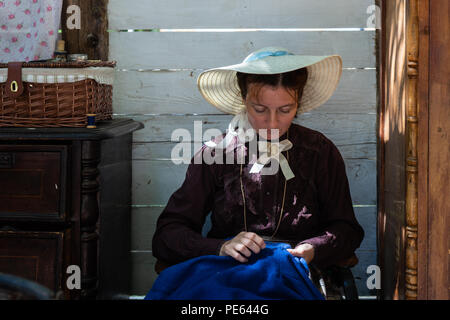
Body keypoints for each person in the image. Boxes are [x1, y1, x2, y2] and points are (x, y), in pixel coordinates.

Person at [151, 47, 364, 276]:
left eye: (285, 110)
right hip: (227, 274)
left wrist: (312, 249)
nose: (272, 122)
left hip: (295, 272)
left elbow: (347, 229)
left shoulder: (320, 152)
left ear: (298, 104)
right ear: (244, 100)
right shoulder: (215, 154)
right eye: (260, 109)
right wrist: (220, 247)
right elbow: (167, 235)